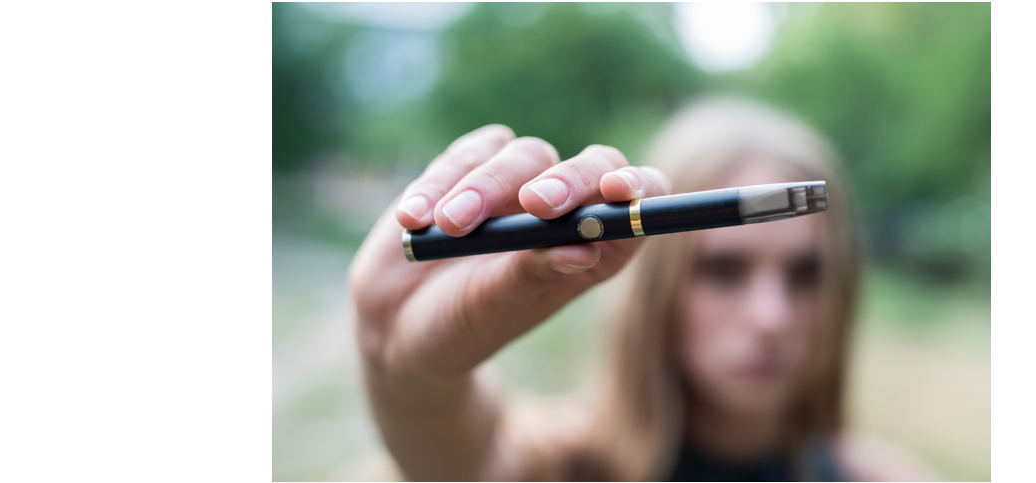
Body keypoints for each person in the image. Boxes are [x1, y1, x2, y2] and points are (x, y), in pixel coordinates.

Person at [348, 98, 935, 481]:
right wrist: (411, 377)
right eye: (724, 271)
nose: (770, 317)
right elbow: (452, 455)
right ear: (657, 284)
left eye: (805, 274)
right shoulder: (560, 465)